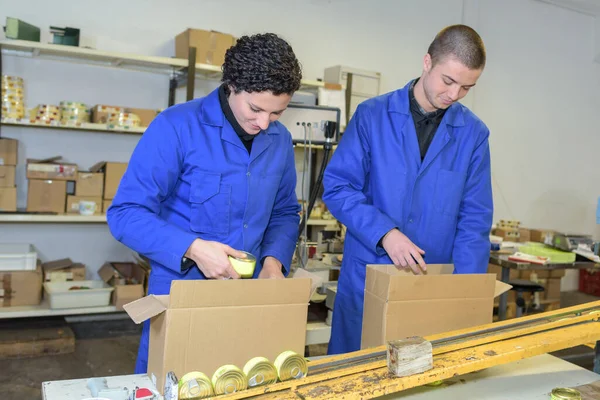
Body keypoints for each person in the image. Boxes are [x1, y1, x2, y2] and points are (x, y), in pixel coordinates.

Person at [106, 33, 303, 373]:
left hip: (249, 296)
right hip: (183, 296)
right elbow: (125, 214)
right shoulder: (177, 127)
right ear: (231, 85)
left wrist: (273, 263)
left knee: (241, 382)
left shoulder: (280, 140)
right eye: (255, 109)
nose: (263, 124)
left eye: (277, 113)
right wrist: (193, 248)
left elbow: (285, 212)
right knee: (173, 383)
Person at [323, 24, 493, 355]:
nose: (453, 95)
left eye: (466, 87)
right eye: (448, 81)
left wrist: (466, 294)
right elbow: (338, 187)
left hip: (430, 284)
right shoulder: (372, 116)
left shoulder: (473, 135)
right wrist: (385, 232)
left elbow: (474, 220)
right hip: (369, 277)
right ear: (427, 62)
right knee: (352, 374)